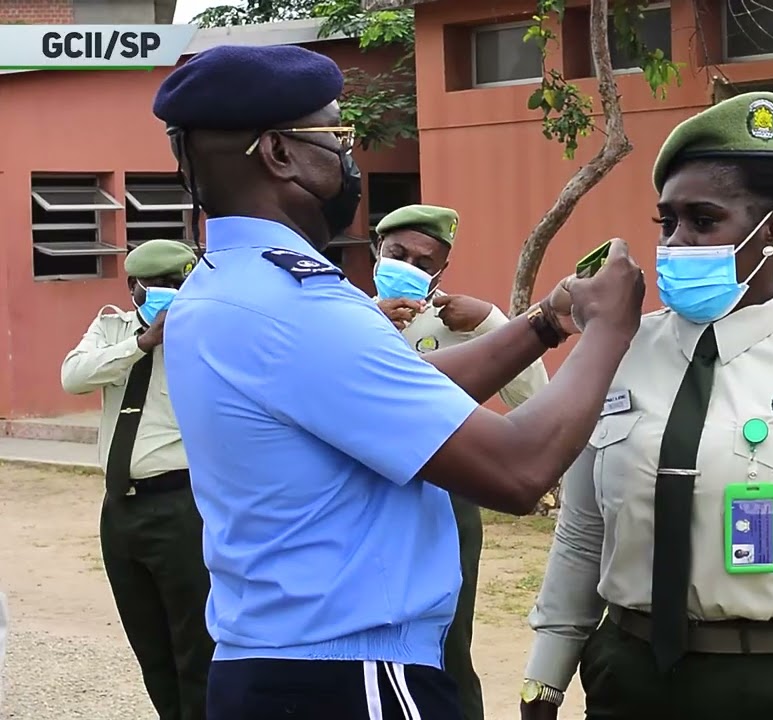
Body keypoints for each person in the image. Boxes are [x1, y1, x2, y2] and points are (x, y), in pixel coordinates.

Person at [151, 44, 644, 720]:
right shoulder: (296, 306)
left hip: (278, 664)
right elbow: (517, 469)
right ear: (279, 153)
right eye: (337, 137)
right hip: (348, 676)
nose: (349, 160)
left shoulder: (227, 284)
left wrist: (546, 323)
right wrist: (611, 330)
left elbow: (400, 391)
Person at [520, 91, 773, 720]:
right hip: (627, 675)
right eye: (668, 222)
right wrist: (544, 679)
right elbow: (581, 534)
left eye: (703, 220)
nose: (677, 241)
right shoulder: (617, 352)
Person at [372, 203, 550, 720]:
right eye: (398, 253)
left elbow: (533, 399)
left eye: (426, 262)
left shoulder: (459, 322)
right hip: (363, 501)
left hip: (443, 502)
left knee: (447, 647)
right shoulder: (343, 318)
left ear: (441, 272)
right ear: (375, 252)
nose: (410, 266)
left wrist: (493, 324)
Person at [60, 239, 215, 720]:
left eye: (180, 285)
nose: (171, 294)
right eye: (161, 285)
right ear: (134, 288)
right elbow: (74, 377)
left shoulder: (206, 337)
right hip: (120, 511)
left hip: (181, 507)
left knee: (196, 646)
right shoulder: (112, 328)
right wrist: (141, 344)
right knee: (149, 645)